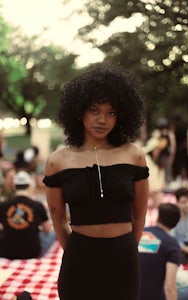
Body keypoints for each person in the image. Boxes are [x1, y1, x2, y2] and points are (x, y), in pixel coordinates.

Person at [43, 62, 149, 300]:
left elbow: (139, 215)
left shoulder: (134, 155)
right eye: (95, 110)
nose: (103, 119)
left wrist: (128, 247)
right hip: (80, 256)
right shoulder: (58, 160)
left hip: (123, 254)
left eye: (111, 112)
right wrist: (74, 251)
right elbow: (58, 218)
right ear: (79, 111)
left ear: (121, 115)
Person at [139, 203, 188, 300]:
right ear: (175, 225)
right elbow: (169, 288)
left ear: (158, 217)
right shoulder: (171, 244)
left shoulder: (139, 234)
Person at [0, 171, 55, 259]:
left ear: (14, 186)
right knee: (53, 234)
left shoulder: (3, 205)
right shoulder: (37, 205)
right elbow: (47, 230)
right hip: (32, 252)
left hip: (7, 251)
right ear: (29, 186)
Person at [170, 187, 188, 264]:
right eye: (184, 202)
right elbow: (173, 238)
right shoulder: (174, 215)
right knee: (175, 256)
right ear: (177, 203)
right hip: (180, 245)